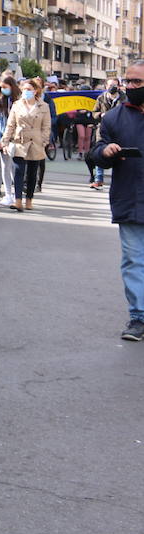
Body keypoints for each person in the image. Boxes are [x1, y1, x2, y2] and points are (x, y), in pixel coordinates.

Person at [87, 61, 144, 341]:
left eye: (138, 82)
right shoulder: (112, 118)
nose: (131, 87)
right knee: (134, 260)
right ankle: (138, 317)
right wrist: (104, 152)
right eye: (128, 81)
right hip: (130, 199)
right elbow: (95, 152)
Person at [2, 77, 51, 212]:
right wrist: (5, 141)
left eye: (28, 89)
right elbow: (10, 124)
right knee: (18, 171)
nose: (25, 92)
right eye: (24, 89)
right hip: (20, 140)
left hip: (36, 142)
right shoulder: (17, 105)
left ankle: (29, 199)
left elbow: (46, 126)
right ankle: (18, 200)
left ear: (35, 91)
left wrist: (44, 141)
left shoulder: (43, 106)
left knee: (32, 173)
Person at [0, 78, 18, 206]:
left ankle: (17, 194)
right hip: (2, 139)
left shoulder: (19, 101)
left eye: (5, 87)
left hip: (17, 139)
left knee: (16, 167)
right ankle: (8, 194)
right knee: (5, 166)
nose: (3, 90)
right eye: (1, 87)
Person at [90, 80, 123, 189]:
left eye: (114, 85)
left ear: (118, 86)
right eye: (110, 85)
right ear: (106, 86)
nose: (112, 87)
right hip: (103, 129)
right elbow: (94, 113)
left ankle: (118, 179)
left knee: (118, 153)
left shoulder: (124, 98)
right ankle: (98, 179)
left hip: (119, 130)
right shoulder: (101, 98)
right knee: (101, 151)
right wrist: (101, 114)